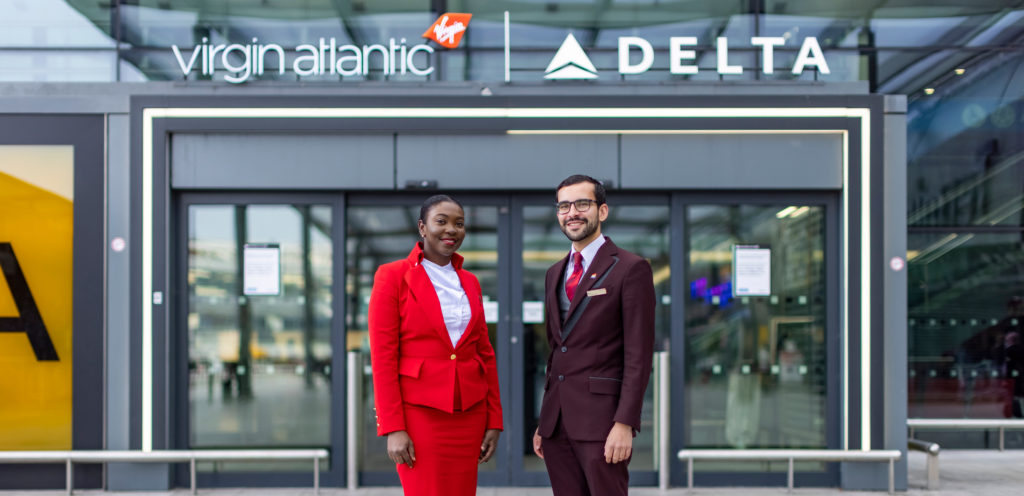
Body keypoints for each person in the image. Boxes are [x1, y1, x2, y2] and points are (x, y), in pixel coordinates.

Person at [369, 194, 502, 496]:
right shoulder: (392, 277)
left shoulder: (470, 282)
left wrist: (494, 419)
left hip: (469, 415)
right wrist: (393, 427)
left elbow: (485, 354)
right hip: (420, 417)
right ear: (422, 228)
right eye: (441, 221)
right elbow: (383, 357)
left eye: (459, 224)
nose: (451, 230)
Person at [532, 175, 656, 496]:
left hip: (603, 422)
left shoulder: (630, 268)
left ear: (602, 211)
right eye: (564, 205)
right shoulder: (554, 273)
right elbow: (557, 350)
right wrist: (545, 420)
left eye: (582, 204)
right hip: (557, 423)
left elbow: (638, 356)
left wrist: (625, 423)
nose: (572, 212)